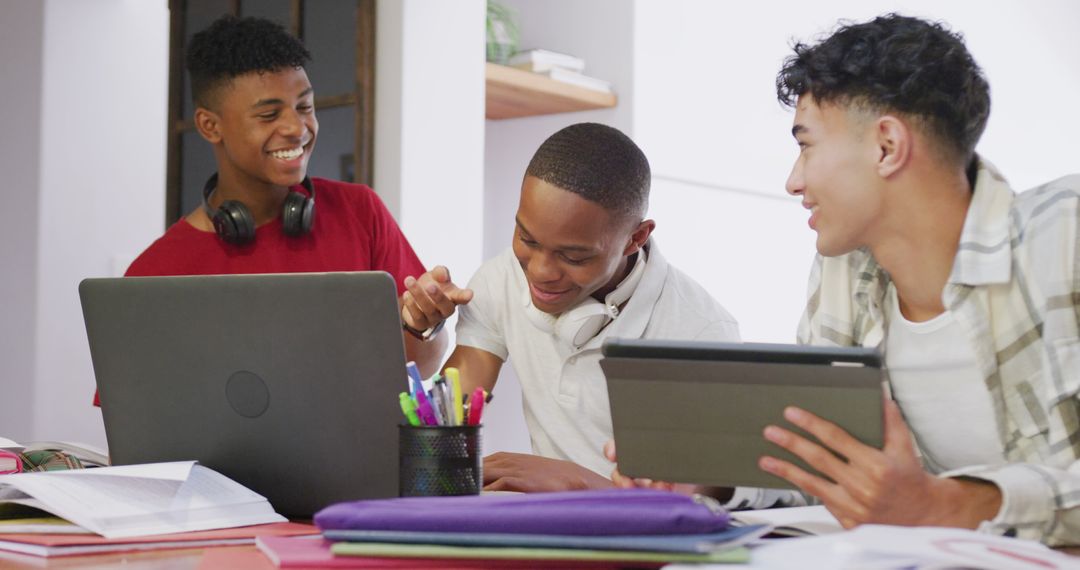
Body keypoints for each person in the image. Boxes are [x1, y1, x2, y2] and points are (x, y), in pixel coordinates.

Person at [612, 13, 1080, 546]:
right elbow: (821, 473)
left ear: (886, 146)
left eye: (806, 144)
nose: (793, 181)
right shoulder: (845, 270)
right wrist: (707, 482)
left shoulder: (1066, 231)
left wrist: (944, 505)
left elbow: (919, 507)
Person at [400, 122, 741, 492]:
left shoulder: (701, 331)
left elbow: (707, 501)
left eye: (574, 256)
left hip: (643, 539)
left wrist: (576, 481)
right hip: (542, 528)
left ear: (636, 238)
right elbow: (449, 417)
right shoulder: (500, 278)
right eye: (526, 239)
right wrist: (423, 326)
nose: (540, 271)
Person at [119, 16, 459, 381]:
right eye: (269, 115)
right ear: (210, 126)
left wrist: (425, 323)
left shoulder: (360, 211)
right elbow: (136, 420)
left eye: (304, 107)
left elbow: (421, 366)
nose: (297, 129)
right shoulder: (153, 273)